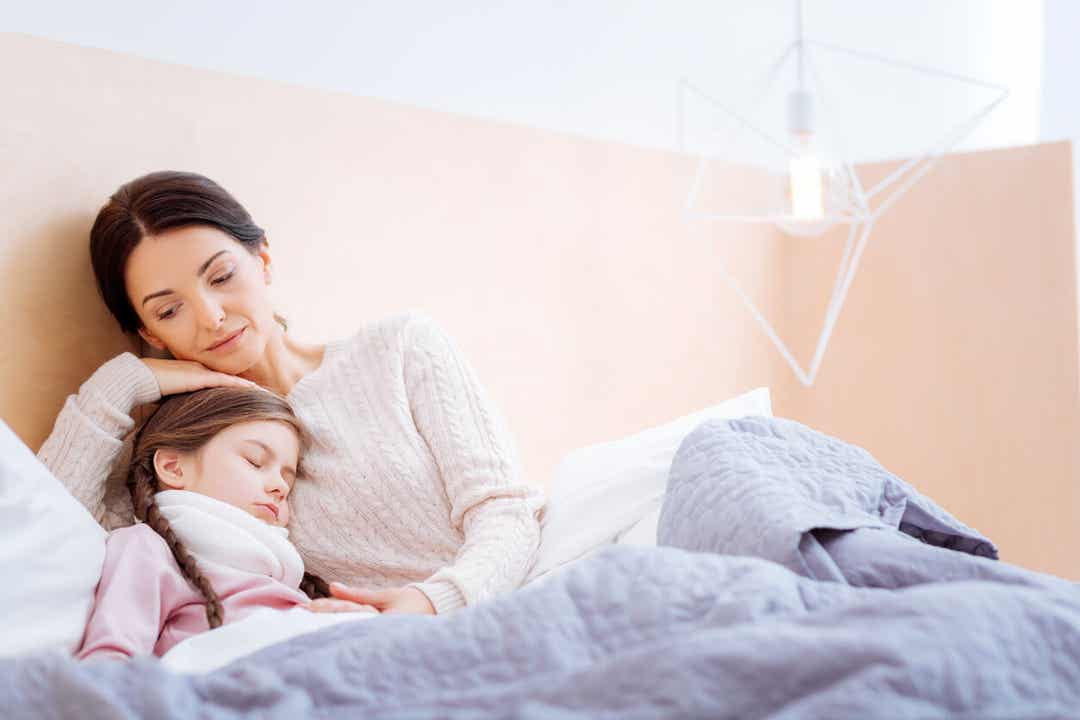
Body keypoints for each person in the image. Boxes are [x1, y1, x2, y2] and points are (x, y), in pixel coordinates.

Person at [40, 170, 545, 617]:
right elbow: (53, 543)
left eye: (221, 277)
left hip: (525, 591)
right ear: (149, 334)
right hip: (396, 655)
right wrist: (118, 386)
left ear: (262, 260)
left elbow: (505, 511)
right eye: (169, 311)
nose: (212, 316)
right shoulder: (184, 457)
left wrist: (438, 600)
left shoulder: (399, 348)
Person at [77, 386, 376, 661]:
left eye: (288, 478)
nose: (280, 488)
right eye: (255, 462)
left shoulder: (283, 578)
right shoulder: (147, 547)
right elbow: (109, 660)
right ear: (173, 467)